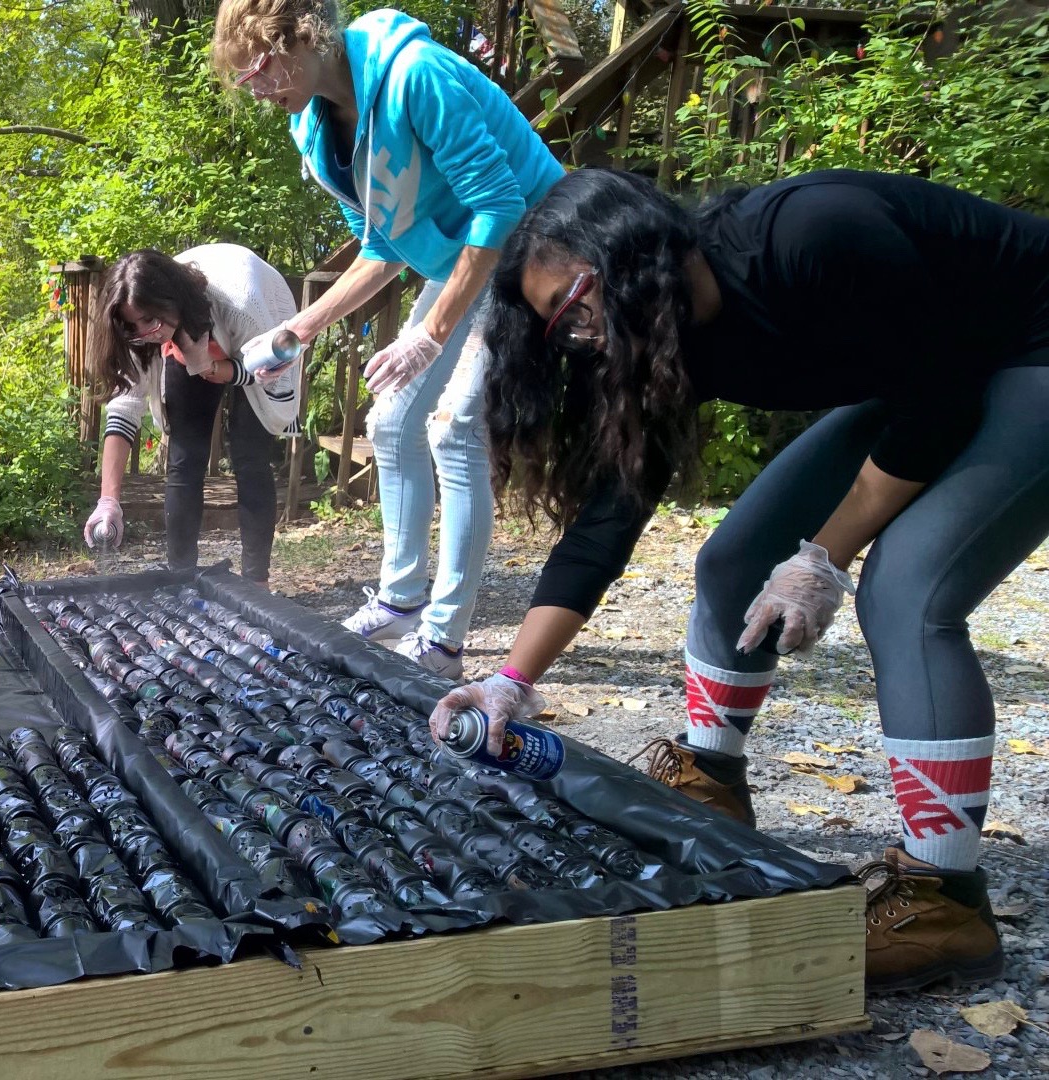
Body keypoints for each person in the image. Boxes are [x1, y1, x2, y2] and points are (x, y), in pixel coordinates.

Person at [430, 167, 1049, 992]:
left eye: (573, 305)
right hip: (933, 372)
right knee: (729, 560)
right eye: (560, 331)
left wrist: (822, 557)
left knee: (907, 589)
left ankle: (944, 897)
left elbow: (938, 407)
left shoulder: (814, 235)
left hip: (1028, 344)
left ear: (627, 250)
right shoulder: (668, 341)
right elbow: (607, 523)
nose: (580, 337)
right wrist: (510, 680)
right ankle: (710, 782)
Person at [211, 0, 563, 678]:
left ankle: (443, 641)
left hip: (535, 250)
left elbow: (501, 206)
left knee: (454, 428)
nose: (260, 90)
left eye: (261, 68)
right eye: (246, 82)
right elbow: (381, 245)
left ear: (306, 38)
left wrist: (429, 337)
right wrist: (299, 330)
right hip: (467, 257)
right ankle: (401, 601)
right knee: (393, 419)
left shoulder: (416, 75)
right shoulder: (312, 128)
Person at [83, 245, 299, 586]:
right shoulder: (141, 325)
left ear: (169, 303)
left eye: (149, 321)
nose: (144, 333)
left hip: (261, 335)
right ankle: (181, 578)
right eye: (131, 326)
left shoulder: (243, 306)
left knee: (249, 453)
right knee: (185, 456)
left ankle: (257, 583)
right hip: (195, 331)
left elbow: (266, 370)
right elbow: (124, 408)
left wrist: (216, 367)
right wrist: (108, 500)